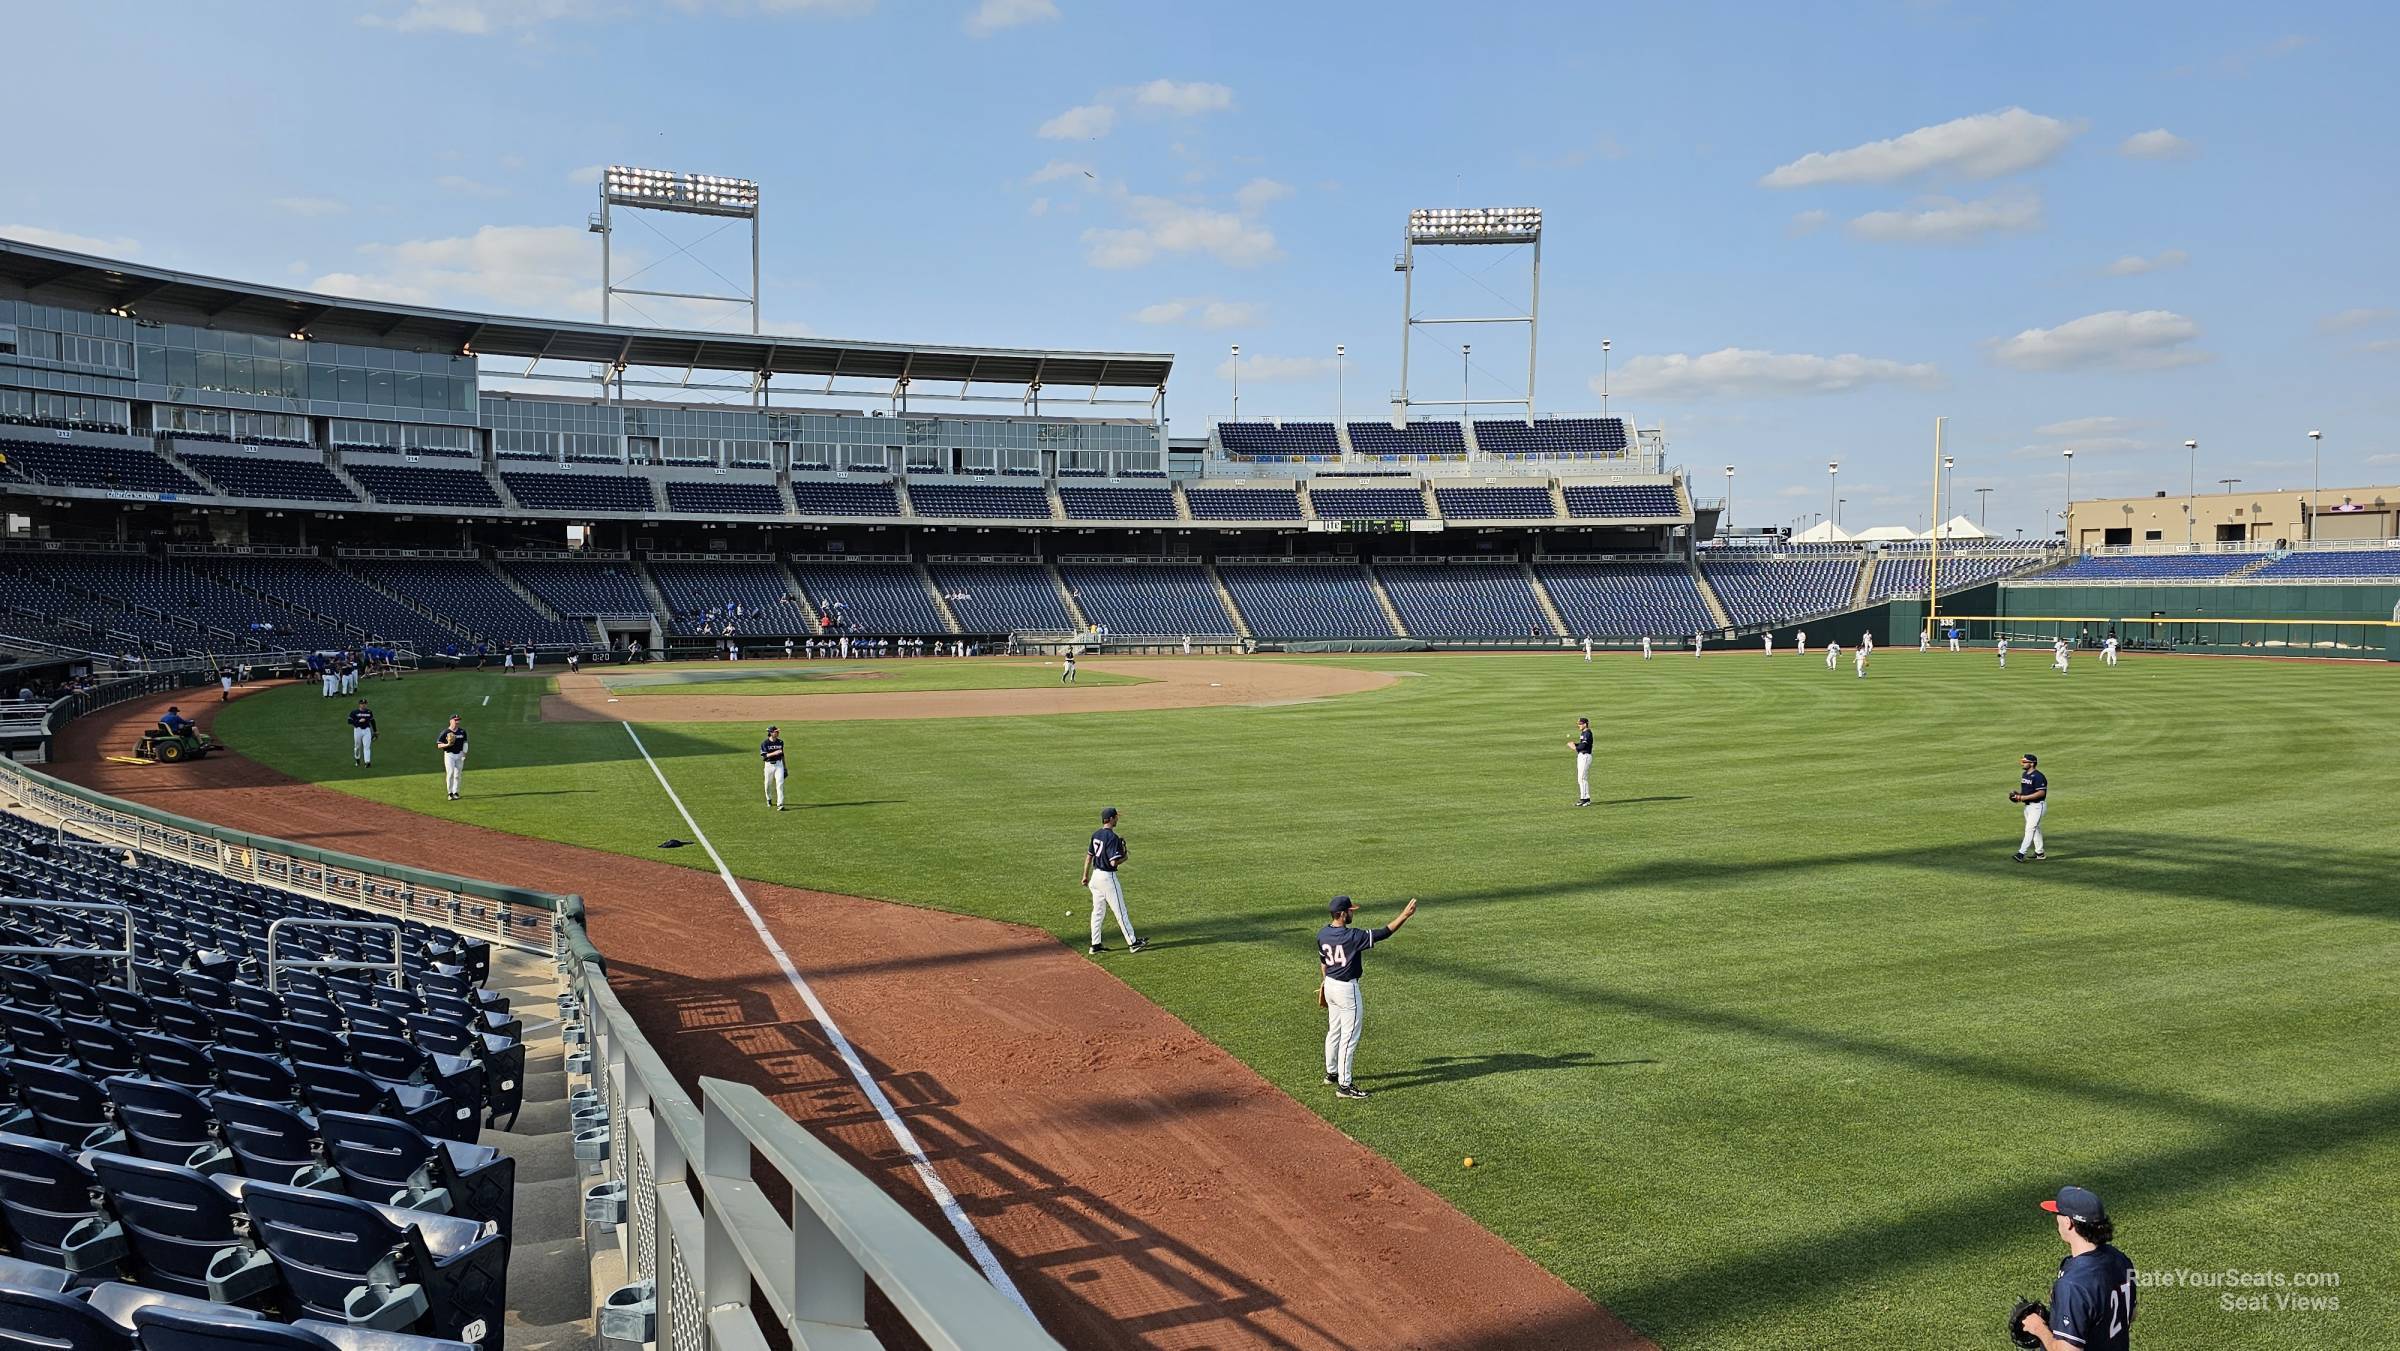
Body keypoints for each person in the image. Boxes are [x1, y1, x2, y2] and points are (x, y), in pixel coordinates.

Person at [1317, 894, 1419, 1100]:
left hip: (1330, 984)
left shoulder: (1323, 934)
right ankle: (1345, 1086)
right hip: (1346, 991)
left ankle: (1331, 1073)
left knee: (1334, 1030)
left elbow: (1323, 963)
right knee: (1349, 1037)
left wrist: (1326, 982)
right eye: (1351, 911)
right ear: (1343, 914)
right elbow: (1384, 933)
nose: (1352, 913)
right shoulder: (1352, 937)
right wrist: (1404, 915)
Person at [2017, 1185, 2135, 1350]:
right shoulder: (2120, 1259)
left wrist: (2038, 1328)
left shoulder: (2073, 1284)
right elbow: (2130, 1312)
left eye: (2057, 1214)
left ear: (2068, 1222)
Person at [1080, 807, 1144, 954]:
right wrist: (1125, 856)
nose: (1117, 819)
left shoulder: (1096, 834)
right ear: (1111, 819)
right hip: (1107, 879)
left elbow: (1089, 856)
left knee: (1097, 913)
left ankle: (1095, 945)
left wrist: (1085, 876)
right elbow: (1113, 862)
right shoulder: (1112, 838)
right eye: (1116, 817)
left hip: (1095, 878)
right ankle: (1133, 943)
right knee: (1120, 911)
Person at [2011, 753, 2048, 862]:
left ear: (2032, 763)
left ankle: (2021, 853)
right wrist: (2018, 796)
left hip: (2038, 806)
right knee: (2035, 829)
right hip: (2028, 807)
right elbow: (2026, 792)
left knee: (2030, 829)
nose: (2022, 763)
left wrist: (2022, 797)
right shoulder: (2025, 774)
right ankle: (2040, 853)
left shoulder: (2039, 776)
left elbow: (2041, 793)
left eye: (2024, 762)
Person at [436, 715, 468, 802]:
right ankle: (450, 793)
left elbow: (465, 743)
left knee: (458, 775)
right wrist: (447, 745)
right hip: (449, 755)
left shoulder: (462, 731)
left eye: (458, 720)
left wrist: (464, 753)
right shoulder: (445, 732)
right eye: (455, 720)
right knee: (450, 773)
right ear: (451, 721)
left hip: (460, 755)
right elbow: (438, 745)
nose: (457, 722)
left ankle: (456, 792)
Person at [760, 724, 787, 810]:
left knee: (780, 784)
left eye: (777, 731)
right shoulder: (765, 743)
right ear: (771, 733)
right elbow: (764, 756)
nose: (778, 732)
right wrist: (775, 753)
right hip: (768, 766)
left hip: (779, 765)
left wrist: (785, 767)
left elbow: (782, 755)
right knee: (767, 784)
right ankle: (769, 799)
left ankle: (780, 804)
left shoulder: (780, 742)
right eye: (776, 731)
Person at [1571, 717, 1593, 807]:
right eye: (1578, 724)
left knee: (1582, 778)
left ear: (1585, 724)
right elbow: (1581, 744)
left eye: (1580, 724)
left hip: (1585, 756)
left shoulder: (1587, 733)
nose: (1578, 725)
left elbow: (1583, 746)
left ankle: (1585, 799)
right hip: (1582, 756)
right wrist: (1575, 744)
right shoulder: (1584, 733)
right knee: (1581, 778)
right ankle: (1585, 798)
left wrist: (1574, 747)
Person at [348, 699, 376, 766]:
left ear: (366, 704)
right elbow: (349, 721)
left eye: (365, 704)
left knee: (367, 746)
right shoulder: (354, 712)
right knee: (357, 746)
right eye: (362, 704)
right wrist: (358, 721)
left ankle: (367, 762)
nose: (363, 705)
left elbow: (372, 721)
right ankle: (357, 760)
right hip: (358, 730)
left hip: (367, 730)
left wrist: (375, 731)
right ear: (359, 704)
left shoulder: (369, 712)